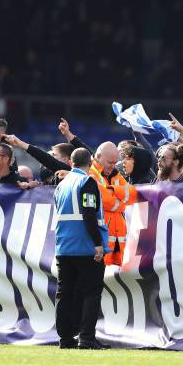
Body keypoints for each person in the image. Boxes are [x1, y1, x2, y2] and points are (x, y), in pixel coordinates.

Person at [53, 148, 111, 350]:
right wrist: (98, 244)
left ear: (71, 162)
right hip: (85, 246)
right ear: (92, 162)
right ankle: (86, 338)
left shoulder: (61, 185)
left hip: (63, 246)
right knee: (91, 293)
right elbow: (89, 214)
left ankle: (65, 339)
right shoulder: (86, 182)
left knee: (64, 294)